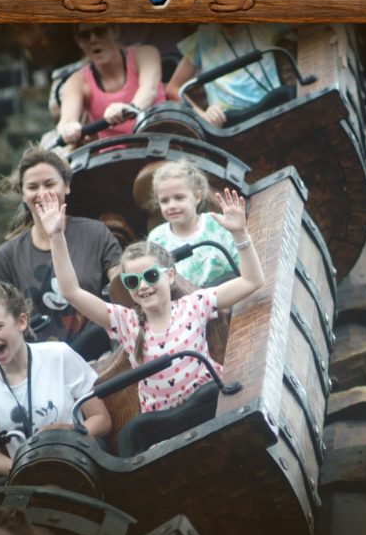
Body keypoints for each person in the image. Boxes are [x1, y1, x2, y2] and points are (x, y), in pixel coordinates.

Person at [36, 187, 264, 457]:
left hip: (204, 401)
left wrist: (240, 234)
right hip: (162, 422)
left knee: (212, 394)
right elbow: (71, 292)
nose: (143, 286)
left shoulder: (194, 303)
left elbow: (252, 281)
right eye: (133, 281)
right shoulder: (126, 321)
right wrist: (56, 237)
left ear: (169, 276)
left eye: (151, 276)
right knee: (132, 434)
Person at [0, 281, 111, 479]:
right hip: (27, 477)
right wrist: (25, 469)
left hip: (77, 464)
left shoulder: (59, 355)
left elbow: (102, 420)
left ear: (21, 322)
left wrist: (70, 434)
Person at [0, 146, 121, 360]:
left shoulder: (96, 233)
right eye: (32, 187)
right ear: (23, 194)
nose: (42, 193)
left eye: (50, 184)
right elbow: (1, 318)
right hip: (39, 361)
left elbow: (121, 285)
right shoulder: (6, 256)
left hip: (98, 357)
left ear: (67, 186)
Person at [57, 24, 166, 144]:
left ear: (115, 31)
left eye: (100, 31)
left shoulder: (146, 54)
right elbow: (66, 122)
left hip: (160, 143)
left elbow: (149, 89)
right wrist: (68, 129)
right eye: (85, 35)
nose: (93, 39)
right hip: (114, 153)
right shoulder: (76, 81)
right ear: (79, 42)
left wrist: (129, 109)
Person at [166, 24, 289, 128]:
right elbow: (172, 88)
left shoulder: (263, 25)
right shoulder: (204, 38)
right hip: (229, 118)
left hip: (273, 106)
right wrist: (204, 116)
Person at [147, 158, 240, 287]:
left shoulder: (217, 223)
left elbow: (244, 268)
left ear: (197, 197)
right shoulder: (156, 239)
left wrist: (240, 233)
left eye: (179, 197)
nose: (171, 205)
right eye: (164, 201)